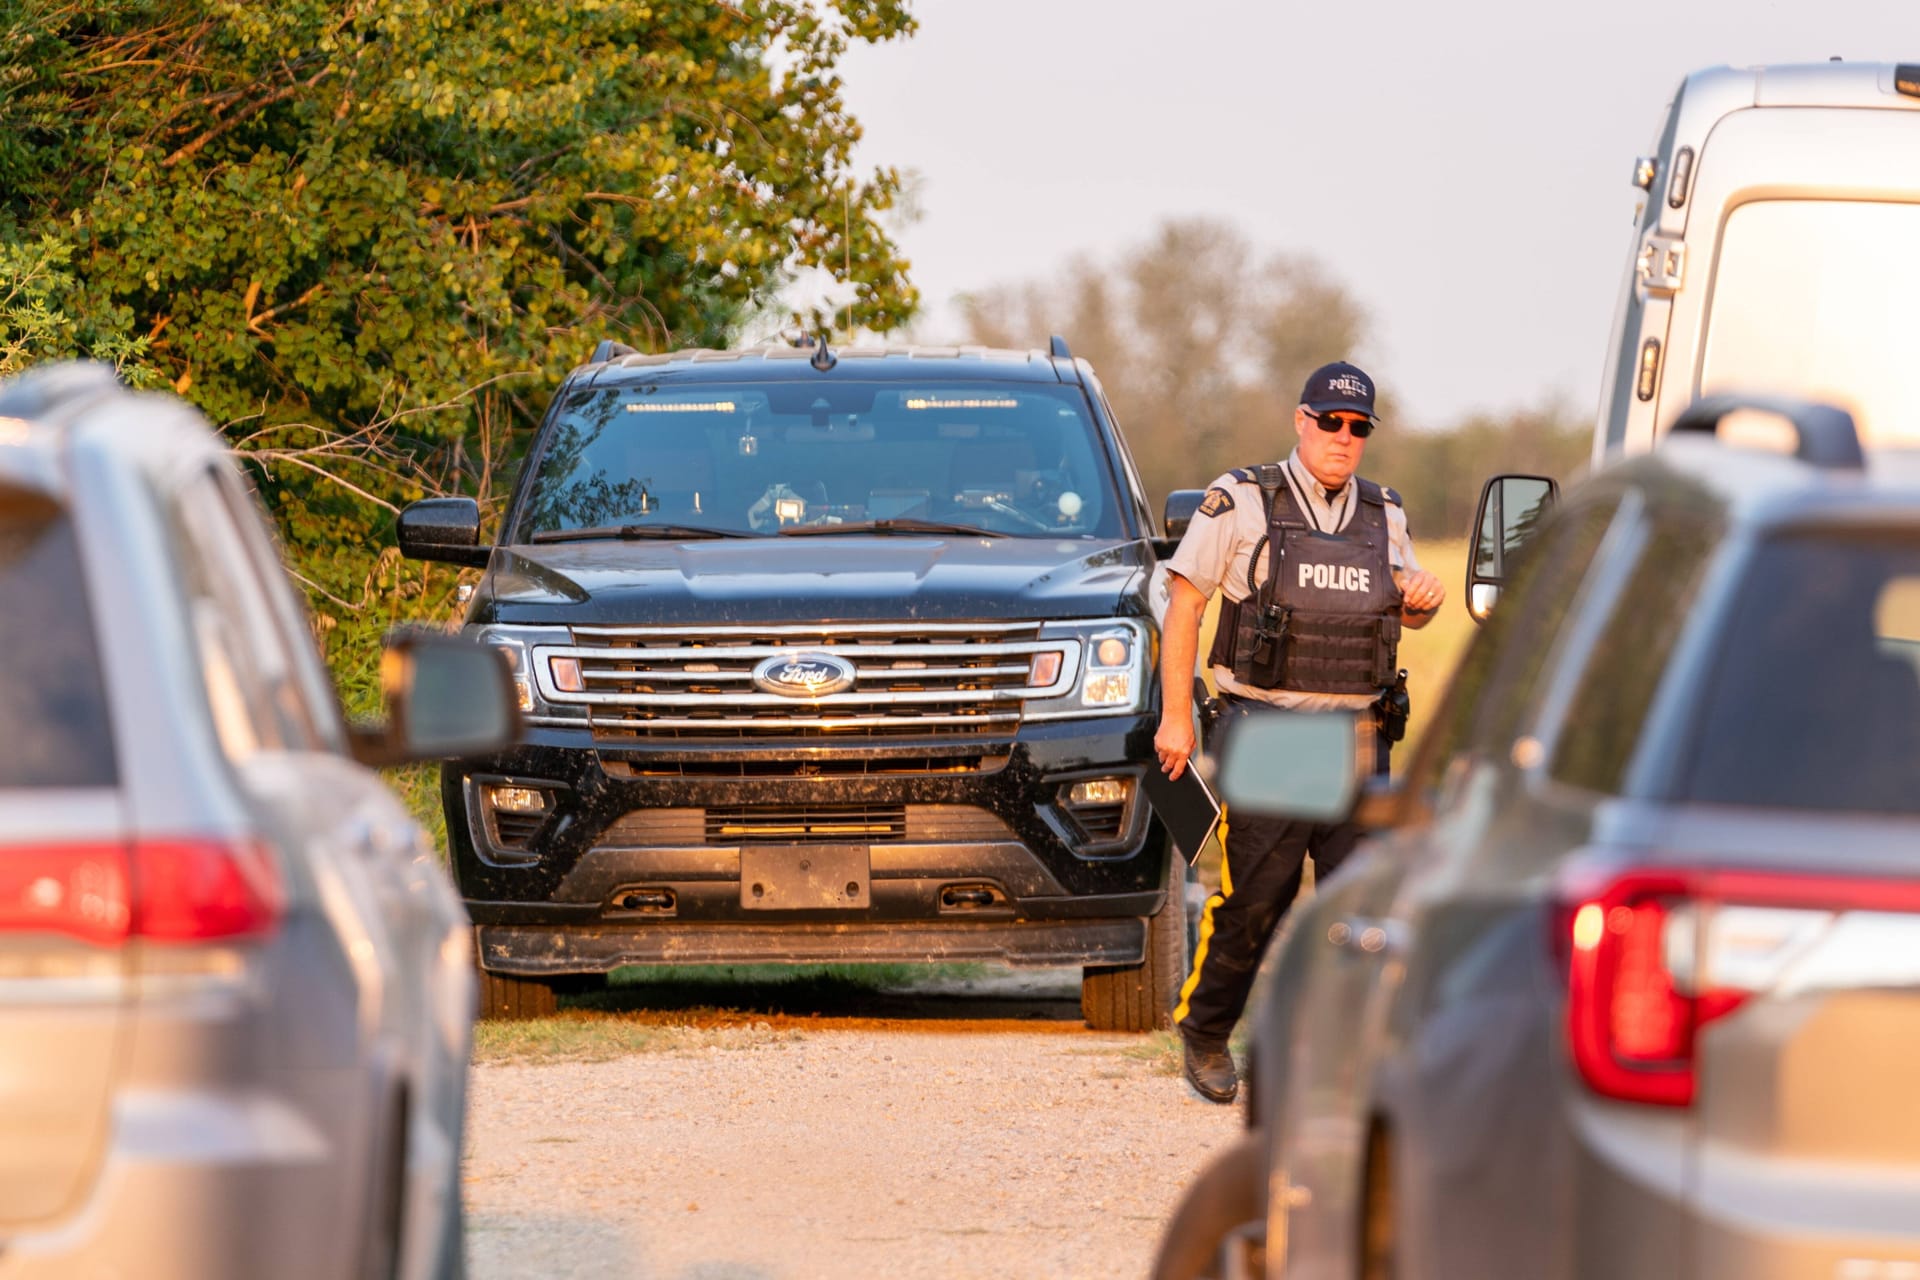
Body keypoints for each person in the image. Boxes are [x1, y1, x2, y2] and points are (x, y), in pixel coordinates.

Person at [1154, 360, 1445, 1103]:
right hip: (1273, 733)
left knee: (1363, 911)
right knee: (1259, 898)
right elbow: (1185, 604)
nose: (1342, 438)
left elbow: (1406, 608)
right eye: (1330, 422)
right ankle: (1208, 1032)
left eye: (1357, 428)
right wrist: (1177, 717)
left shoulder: (1386, 514)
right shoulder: (1244, 501)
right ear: (1300, 420)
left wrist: (1423, 601)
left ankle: (1341, 1061)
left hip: (1358, 735)